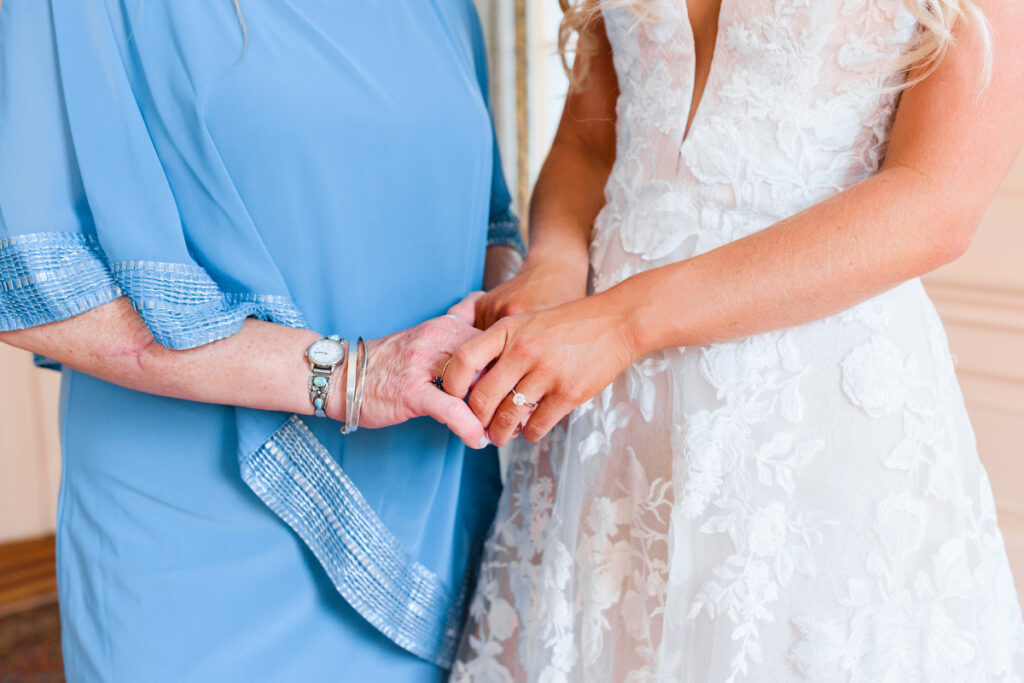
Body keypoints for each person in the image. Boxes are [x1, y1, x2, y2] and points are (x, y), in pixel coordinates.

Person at [447, 0, 1024, 679]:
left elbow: (938, 201)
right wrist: (553, 268)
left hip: (811, 427)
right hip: (603, 415)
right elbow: (589, 140)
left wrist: (623, 321)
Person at [0, 1, 524, 680]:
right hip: (201, 544)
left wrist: (510, 327)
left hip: (435, 522)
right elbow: (29, 272)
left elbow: (490, 226)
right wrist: (350, 375)